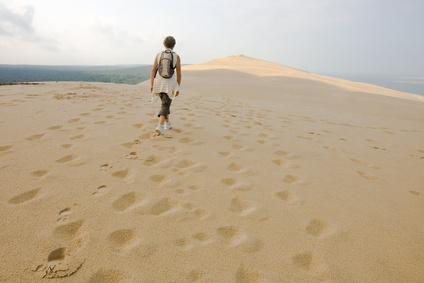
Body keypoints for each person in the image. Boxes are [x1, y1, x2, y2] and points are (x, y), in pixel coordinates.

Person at [150, 36, 182, 134]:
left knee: (165, 104)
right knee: (165, 105)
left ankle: (167, 124)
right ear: (174, 45)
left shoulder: (159, 55)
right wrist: (177, 87)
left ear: (164, 44)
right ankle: (160, 126)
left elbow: (153, 70)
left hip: (158, 83)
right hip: (169, 85)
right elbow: (179, 73)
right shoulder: (176, 56)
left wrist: (152, 84)